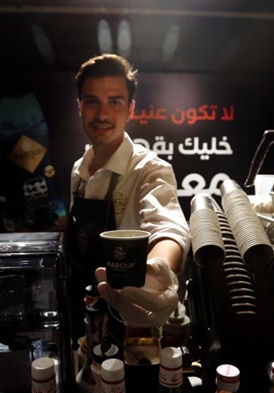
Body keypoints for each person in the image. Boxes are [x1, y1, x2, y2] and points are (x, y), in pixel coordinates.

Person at [66, 54, 190, 338]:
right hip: (83, 312)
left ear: (131, 108)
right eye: (91, 101)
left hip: (132, 316)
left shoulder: (150, 168)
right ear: (79, 106)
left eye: (115, 102)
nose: (101, 114)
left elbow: (167, 226)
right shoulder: (78, 169)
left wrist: (158, 271)